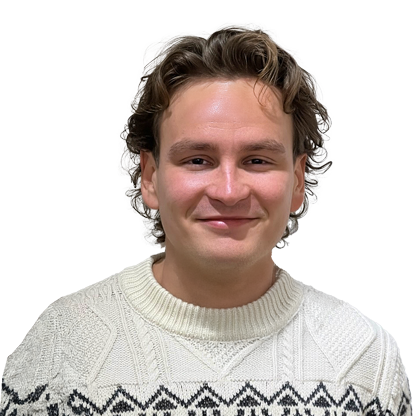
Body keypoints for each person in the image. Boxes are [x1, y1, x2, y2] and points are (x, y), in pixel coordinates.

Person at [0, 25, 411, 416]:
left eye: (257, 160)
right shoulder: (63, 348)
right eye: (197, 160)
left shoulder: (364, 361)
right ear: (150, 177)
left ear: (298, 181)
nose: (228, 191)